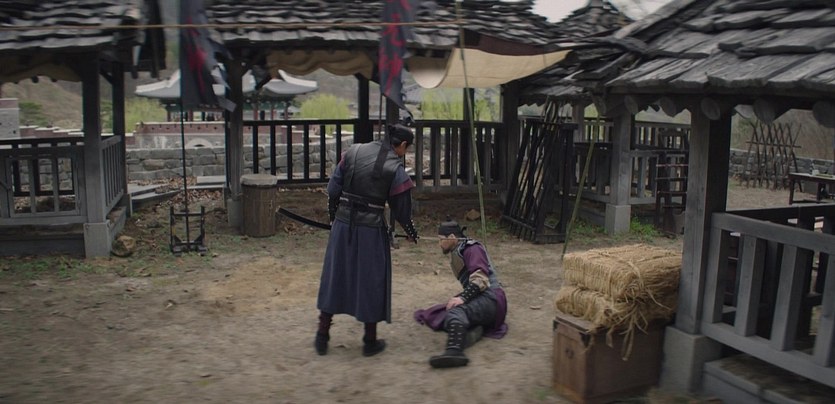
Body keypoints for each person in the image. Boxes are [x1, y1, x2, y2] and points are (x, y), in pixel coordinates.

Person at [314, 124, 419, 357]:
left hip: (342, 227)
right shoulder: (395, 168)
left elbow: (333, 189)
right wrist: (411, 232)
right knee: (372, 280)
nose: (405, 153)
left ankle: (322, 335)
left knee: (335, 276)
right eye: (407, 148)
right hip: (370, 231)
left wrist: (334, 217)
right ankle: (369, 341)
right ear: (402, 145)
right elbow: (402, 210)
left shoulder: (353, 151)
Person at [414, 218, 508, 368]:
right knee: (440, 313)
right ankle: (475, 331)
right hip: (484, 298)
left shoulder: (472, 249)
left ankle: (455, 351)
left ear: (452, 237)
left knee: (455, 311)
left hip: (492, 299)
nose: (439, 244)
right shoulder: (461, 249)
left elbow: (481, 279)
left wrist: (463, 298)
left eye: (441, 239)